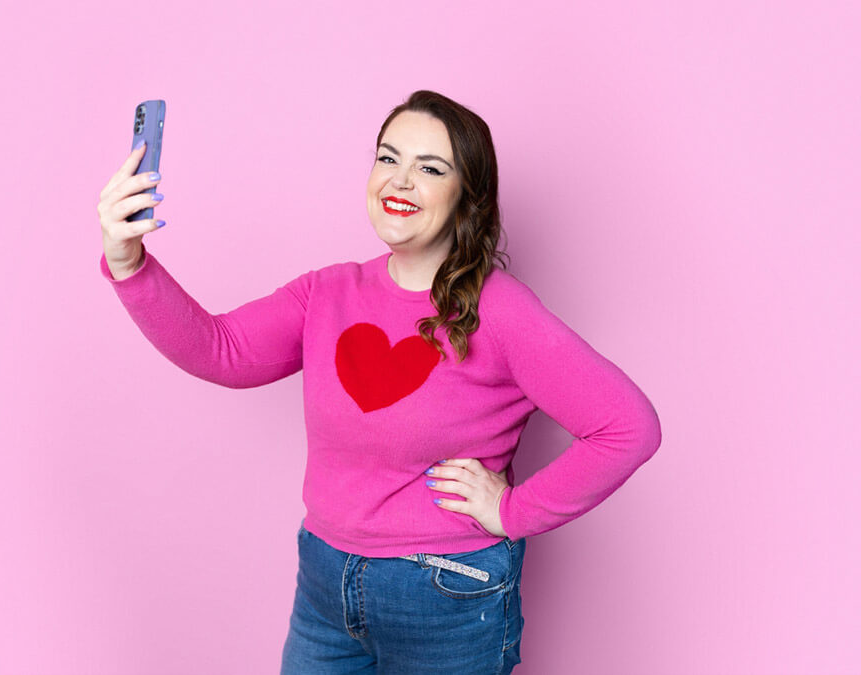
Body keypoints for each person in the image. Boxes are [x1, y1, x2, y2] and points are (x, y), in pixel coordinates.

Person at [96, 90, 662, 674]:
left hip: (445, 593)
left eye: (430, 168)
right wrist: (129, 260)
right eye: (388, 158)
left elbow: (628, 427)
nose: (401, 180)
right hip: (324, 582)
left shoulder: (502, 311)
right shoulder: (327, 292)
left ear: (468, 196)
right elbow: (223, 351)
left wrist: (514, 511)